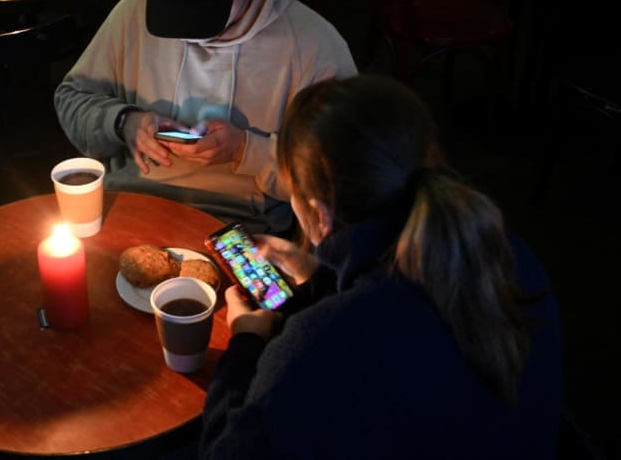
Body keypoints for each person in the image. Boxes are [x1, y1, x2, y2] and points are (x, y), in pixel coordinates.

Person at [200, 75, 563, 459]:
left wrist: (245, 341)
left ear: (319, 215)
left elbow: (225, 450)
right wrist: (319, 274)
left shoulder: (317, 344)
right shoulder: (507, 253)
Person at [54, 0, 357, 234]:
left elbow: (343, 173)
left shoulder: (312, 43)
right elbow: (71, 98)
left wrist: (245, 149)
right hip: (129, 202)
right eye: (174, 10)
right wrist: (124, 122)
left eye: (204, 8)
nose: (188, 30)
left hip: (241, 225)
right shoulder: (134, 10)